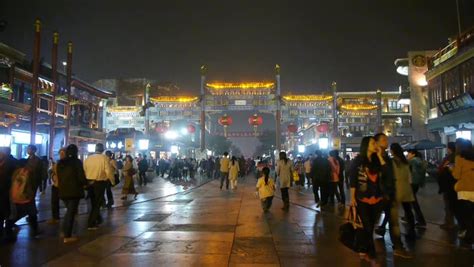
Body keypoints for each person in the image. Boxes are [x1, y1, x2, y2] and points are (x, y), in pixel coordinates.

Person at [373, 134, 411, 258]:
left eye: (386, 139)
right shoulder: (375, 158)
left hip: (390, 194)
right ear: (376, 143)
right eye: (383, 140)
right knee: (370, 222)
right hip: (379, 195)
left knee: (394, 222)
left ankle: (398, 246)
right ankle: (366, 250)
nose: (386, 141)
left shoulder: (388, 159)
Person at [349, 136, 384, 266]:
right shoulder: (358, 161)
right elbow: (353, 181)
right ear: (366, 145)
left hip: (377, 199)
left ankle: (364, 249)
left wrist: (380, 156)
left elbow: (385, 173)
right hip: (362, 199)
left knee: (370, 227)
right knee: (368, 227)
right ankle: (372, 255)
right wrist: (352, 198)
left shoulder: (377, 160)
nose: (376, 145)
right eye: (373, 143)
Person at [57, 144, 87, 243]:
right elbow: (81, 177)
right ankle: (67, 235)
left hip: (63, 191)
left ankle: (64, 231)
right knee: (71, 213)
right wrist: (86, 184)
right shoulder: (76, 162)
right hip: (74, 191)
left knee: (69, 212)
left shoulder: (60, 163)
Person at [6, 158, 39, 239]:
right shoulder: (29, 172)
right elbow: (32, 185)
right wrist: (31, 195)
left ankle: (8, 229)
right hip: (26, 197)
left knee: (16, 214)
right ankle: (35, 231)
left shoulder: (16, 172)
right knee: (32, 214)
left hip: (15, 196)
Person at [83, 143, 114, 230]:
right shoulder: (104, 158)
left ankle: (98, 218)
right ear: (103, 149)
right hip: (99, 183)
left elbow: (84, 170)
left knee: (93, 202)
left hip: (89, 182)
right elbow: (108, 171)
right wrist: (112, 181)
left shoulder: (88, 158)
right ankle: (91, 223)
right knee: (97, 203)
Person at [452, 138, 474, 247]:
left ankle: (469, 237)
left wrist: (451, 169)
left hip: (465, 190)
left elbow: (456, 175)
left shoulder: (459, 158)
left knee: (466, 215)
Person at [437, 142, 457, 229]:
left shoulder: (450, 158)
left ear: (449, 148)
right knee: (452, 204)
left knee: (448, 204)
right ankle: (451, 222)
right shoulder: (457, 157)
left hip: (448, 184)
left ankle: (449, 223)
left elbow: (442, 168)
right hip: (453, 184)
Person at [0, 147, 17, 240]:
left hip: (7, 191)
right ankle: (7, 232)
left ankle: (7, 233)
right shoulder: (10, 162)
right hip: (5, 192)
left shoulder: (11, 163)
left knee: (7, 212)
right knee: (6, 213)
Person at [407, 149, 427, 227]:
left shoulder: (413, 161)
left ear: (413, 154)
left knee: (413, 202)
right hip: (417, 183)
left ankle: (421, 221)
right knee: (410, 201)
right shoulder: (420, 160)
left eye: (409, 153)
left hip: (412, 183)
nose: (407, 155)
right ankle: (408, 217)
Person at [47, 148, 67, 224]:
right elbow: (51, 171)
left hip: (64, 185)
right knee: (54, 202)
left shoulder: (68, 164)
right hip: (56, 185)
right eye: (60, 154)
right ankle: (55, 217)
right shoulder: (57, 163)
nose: (61, 155)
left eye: (63, 153)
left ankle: (72, 213)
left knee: (66, 200)